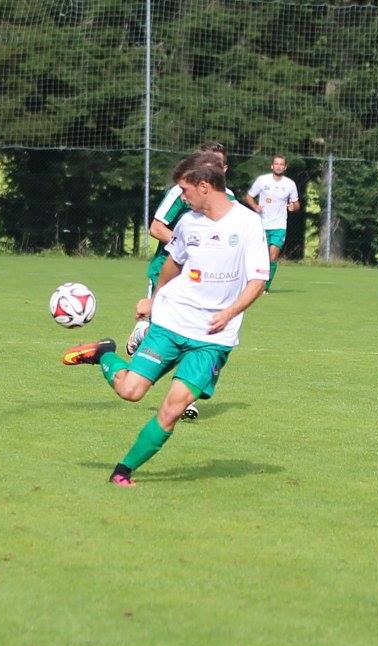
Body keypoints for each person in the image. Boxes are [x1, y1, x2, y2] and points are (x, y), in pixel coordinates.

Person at [62, 151, 268, 486]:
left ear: (204, 186)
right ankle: (104, 353)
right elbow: (173, 264)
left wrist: (229, 312)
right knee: (130, 391)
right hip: (172, 323)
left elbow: (258, 280)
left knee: (173, 410)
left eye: (185, 190)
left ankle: (122, 471)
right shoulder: (188, 224)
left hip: (212, 339)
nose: (182, 197)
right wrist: (155, 300)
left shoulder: (248, 224)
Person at [126, 141, 233, 420]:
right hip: (169, 270)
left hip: (203, 280)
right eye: (208, 162)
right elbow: (156, 227)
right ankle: (143, 333)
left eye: (218, 164)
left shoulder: (230, 201)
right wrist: (187, 245)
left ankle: (184, 398)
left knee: (196, 330)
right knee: (166, 329)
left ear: (224, 169)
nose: (213, 168)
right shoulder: (181, 192)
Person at [243, 155, 299, 294]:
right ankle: (250, 283)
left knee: (272, 257)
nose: (279, 166)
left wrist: (293, 207)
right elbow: (249, 196)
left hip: (279, 225)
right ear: (272, 166)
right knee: (258, 257)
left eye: (281, 164)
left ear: (285, 167)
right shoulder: (262, 180)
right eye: (276, 164)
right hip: (261, 225)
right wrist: (255, 206)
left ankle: (265, 287)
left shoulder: (290, 184)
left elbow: (296, 204)